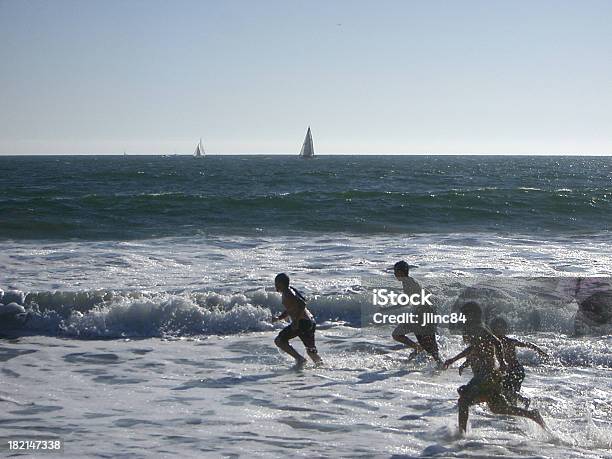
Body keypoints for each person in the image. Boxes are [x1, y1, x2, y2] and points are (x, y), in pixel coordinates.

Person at [443, 302, 546, 433]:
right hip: (487, 376)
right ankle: (532, 415)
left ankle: (461, 435)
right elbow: (474, 348)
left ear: (473, 315)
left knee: (464, 401)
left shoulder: (479, 328)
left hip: (487, 376)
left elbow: (496, 342)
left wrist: (502, 362)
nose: (462, 318)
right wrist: (454, 360)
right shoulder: (474, 329)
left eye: (465, 315)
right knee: (497, 408)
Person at [489, 317, 549, 407]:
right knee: (510, 396)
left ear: (505, 329)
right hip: (512, 371)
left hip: (516, 370)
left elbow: (528, 344)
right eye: (496, 328)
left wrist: (541, 352)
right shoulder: (493, 343)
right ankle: (514, 417)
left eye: (500, 328)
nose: (497, 330)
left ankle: (524, 401)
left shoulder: (509, 341)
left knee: (507, 392)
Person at [391, 260, 441, 363]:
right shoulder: (408, 281)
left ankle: (420, 350)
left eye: (395, 271)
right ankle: (423, 352)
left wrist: (388, 309)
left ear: (401, 272)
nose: (394, 273)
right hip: (424, 313)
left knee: (397, 334)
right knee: (430, 346)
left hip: (423, 315)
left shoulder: (409, 283)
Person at [272, 273, 323, 368]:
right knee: (311, 351)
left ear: (281, 284)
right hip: (310, 322)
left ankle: (300, 359)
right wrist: (279, 318)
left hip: (302, 323)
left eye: (276, 283)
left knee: (279, 341)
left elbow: (302, 304)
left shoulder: (288, 293)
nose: (275, 286)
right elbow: (291, 308)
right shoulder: (289, 290)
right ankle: (322, 366)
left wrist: (296, 321)